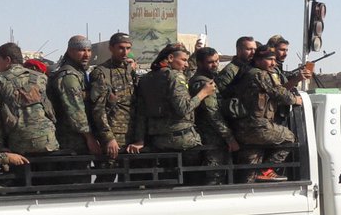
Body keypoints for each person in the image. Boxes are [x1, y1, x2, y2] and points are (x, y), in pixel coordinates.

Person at [129, 43, 213, 175]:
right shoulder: (175, 76)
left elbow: (141, 112)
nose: (186, 65)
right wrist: (203, 93)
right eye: (183, 60)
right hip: (183, 141)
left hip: (158, 142)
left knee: (166, 181)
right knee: (192, 181)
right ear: (170, 58)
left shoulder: (146, 78)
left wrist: (140, 139)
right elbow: (183, 108)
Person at [229, 44, 302, 182]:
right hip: (257, 127)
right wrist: (295, 99)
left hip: (243, 129)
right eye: (269, 59)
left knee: (250, 174)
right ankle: (267, 169)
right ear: (257, 60)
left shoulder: (246, 72)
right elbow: (279, 93)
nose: (273, 63)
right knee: (290, 139)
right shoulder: (260, 74)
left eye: (274, 59)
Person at [0, 42, 60, 158]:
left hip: (19, 144)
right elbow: (51, 109)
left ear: (8, 60)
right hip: (48, 141)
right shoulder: (41, 77)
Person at [189, 46, 239, 184]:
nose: (215, 65)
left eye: (217, 61)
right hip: (210, 136)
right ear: (200, 63)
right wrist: (229, 138)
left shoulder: (208, 79)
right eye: (210, 62)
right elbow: (212, 113)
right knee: (214, 177)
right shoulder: (204, 83)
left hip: (211, 134)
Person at [88, 32, 139, 166]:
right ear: (111, 48)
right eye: (120, 48)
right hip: (112, 139)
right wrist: (108, 138)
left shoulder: (130, 71)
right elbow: (98, 109)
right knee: (107, 174)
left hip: (131, 137)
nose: (125, 52)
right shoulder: (101, 72)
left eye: (128, 48)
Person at [48, 35, 101, 158]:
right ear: (70, 51)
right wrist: (89, 137)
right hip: (72, 140)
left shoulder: (79, 72)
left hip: (78, 137)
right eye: (81, 50)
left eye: (89, 50)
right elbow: (76, 111)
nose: (86, 55)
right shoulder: (69, 76)